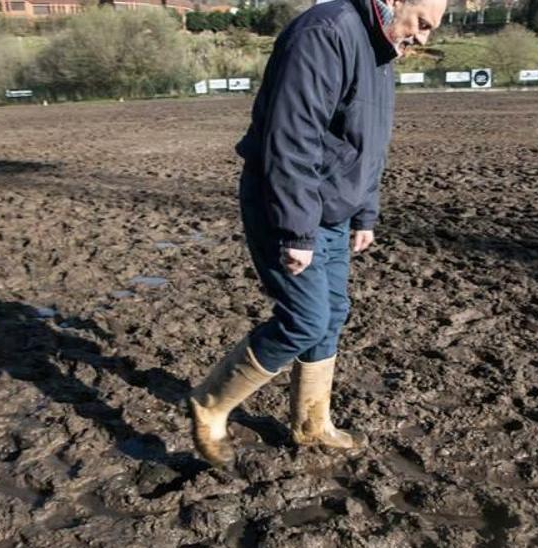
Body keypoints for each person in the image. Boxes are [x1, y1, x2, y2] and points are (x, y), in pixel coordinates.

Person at [188, 0, 448, 467]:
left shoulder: (380, 51)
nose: (424, 38)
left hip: (334, 211)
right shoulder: (326, 32)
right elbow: (291, 139)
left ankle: (312, 425)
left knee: (332, 313)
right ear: (392, 2)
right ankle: (210, 402)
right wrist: (297, 230)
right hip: (287, 204)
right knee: (305, 319)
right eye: (422, 24)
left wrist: (365, 213)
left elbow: (368, 143)